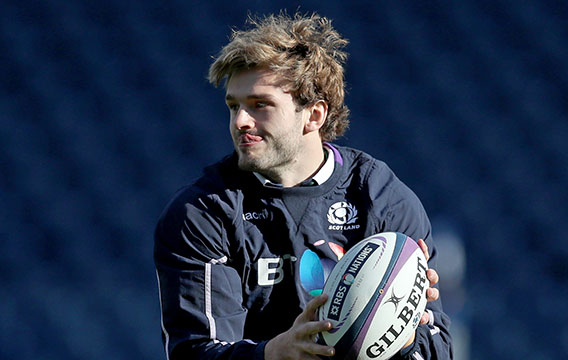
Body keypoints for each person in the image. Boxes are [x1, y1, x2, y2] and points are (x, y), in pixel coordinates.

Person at [154, 13, 453, 360]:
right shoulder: (204, 213)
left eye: (260, 105)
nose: (240, 121)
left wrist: (406, 337)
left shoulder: (382, 198)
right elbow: (193, 353)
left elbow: (437, 350)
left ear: (314, 114)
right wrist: (271, 354)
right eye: (233, 106)